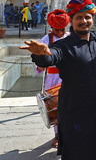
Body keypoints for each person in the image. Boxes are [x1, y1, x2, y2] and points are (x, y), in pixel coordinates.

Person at [20, 0, 96, 160]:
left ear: (92, 18)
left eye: (87, 17)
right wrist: (40, 54)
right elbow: (50, 57)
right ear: (72, 20)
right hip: (73, 111)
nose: (84, 21)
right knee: (75, 152)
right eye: (79, 17)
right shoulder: (63, 46)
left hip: (95, 109)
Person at [35, 9, 70, 148]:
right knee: (56, 108)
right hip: (53, 78)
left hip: (69, 77)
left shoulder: (70, 37)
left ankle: (68, 134)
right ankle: (57, 135)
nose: (60, 33)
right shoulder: (46, 40)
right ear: (51, 28)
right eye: (57, 30)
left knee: (69, 106)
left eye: (62, 29)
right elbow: (38, 57)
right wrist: (40, 64)